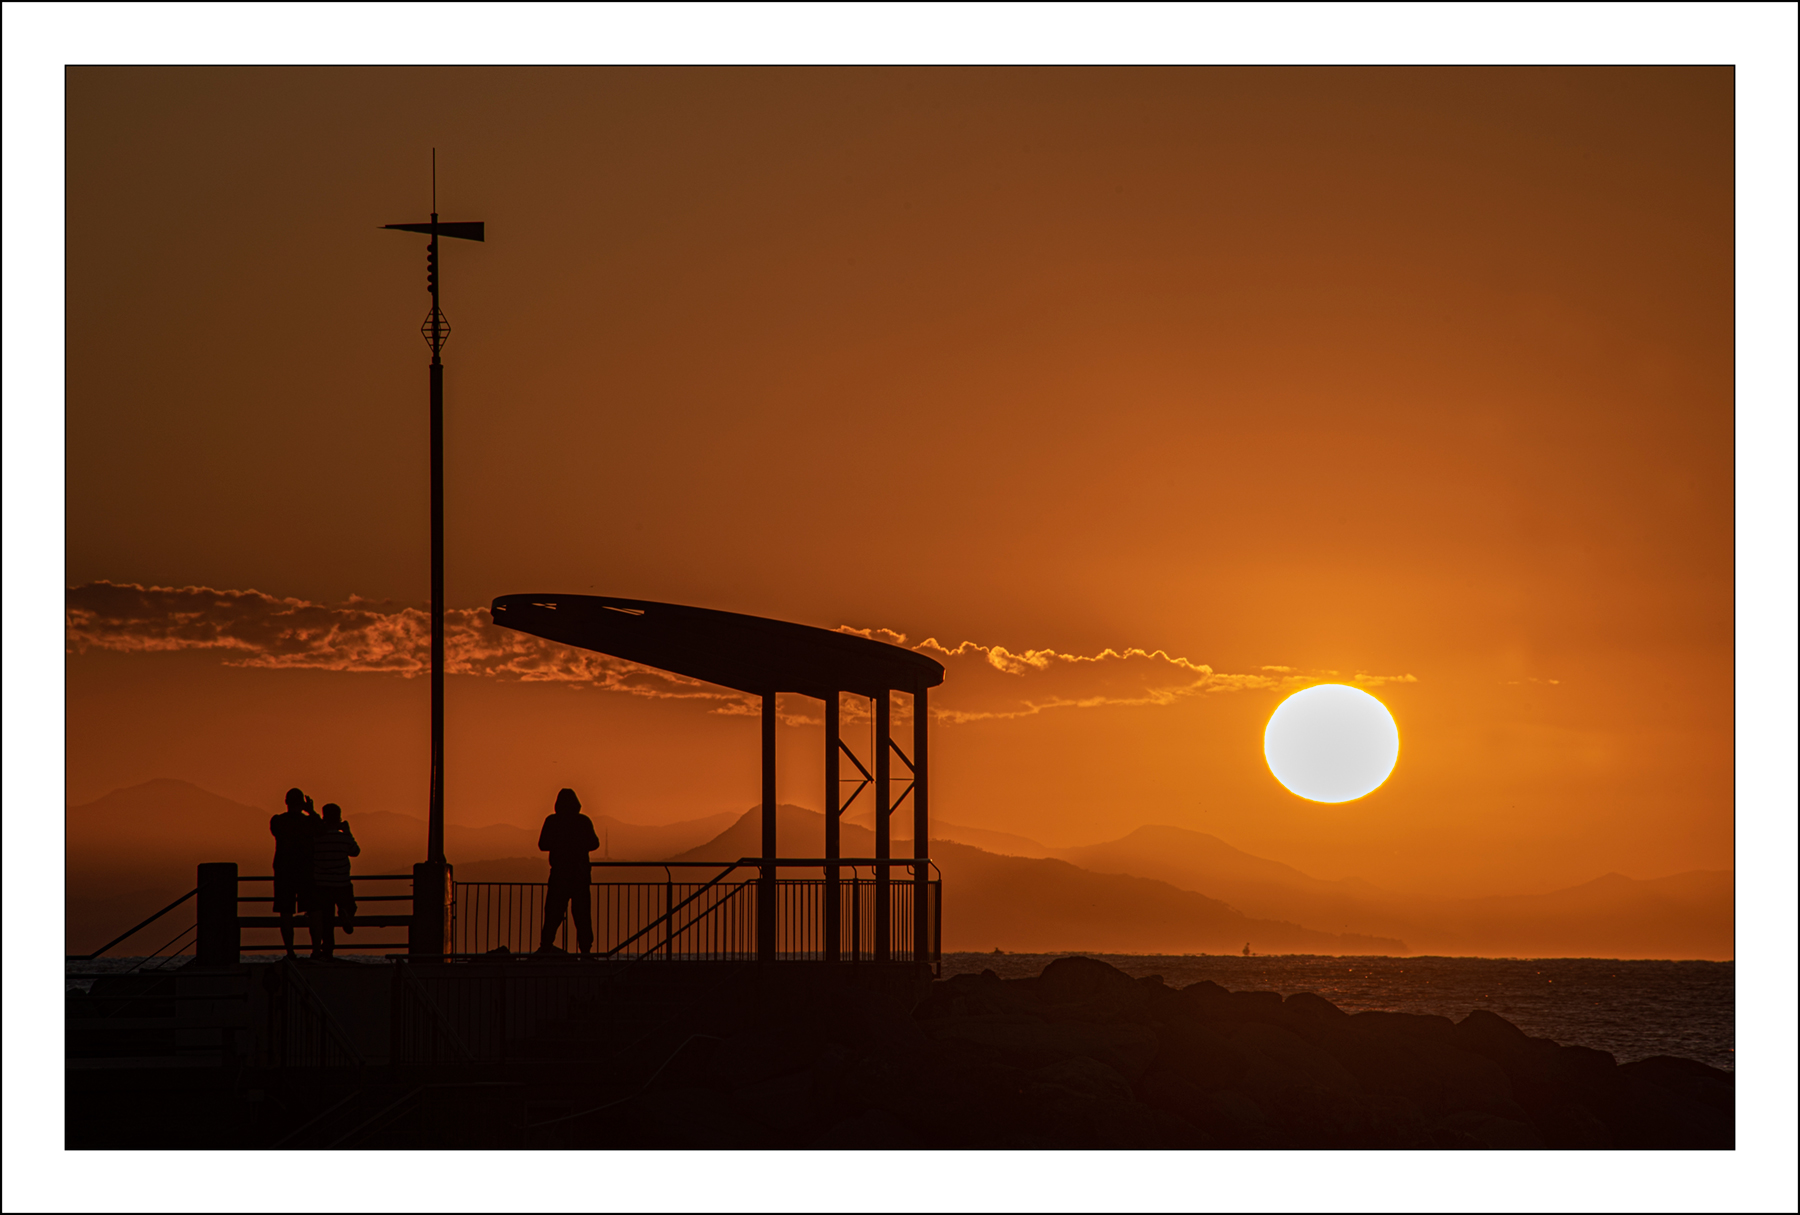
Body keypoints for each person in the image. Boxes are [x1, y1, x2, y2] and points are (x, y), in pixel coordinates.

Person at [537, 788, 599, 955]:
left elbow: (543, 844)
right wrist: (578, 845)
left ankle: (546, 947)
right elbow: (594, 843)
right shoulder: (583, 821)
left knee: (553, 913)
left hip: (559, 875)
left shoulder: (552, 821)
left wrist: (560, 844)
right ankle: (585, 951)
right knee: (582, 915)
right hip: (580, 875)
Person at [270, 788, 320, 958]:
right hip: (306, 871)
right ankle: (316, 950)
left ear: (286, 802)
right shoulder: (309, 822)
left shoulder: (278, 822)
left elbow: (277, 832)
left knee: (285, 913)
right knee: (313, 910)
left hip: (284, 871)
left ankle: (290, 951)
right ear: (302, 803)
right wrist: (311, 811)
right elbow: (320, 829)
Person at [308, 802, 361, 959]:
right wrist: (347, 832)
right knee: (351, 906)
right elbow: (355, 851)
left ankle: (328, 950)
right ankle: (346, 913)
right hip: (342, 883)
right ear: (339, 817)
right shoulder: (343, 837)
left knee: (327, 920)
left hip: (322, 885)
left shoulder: (317, 838)